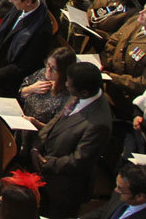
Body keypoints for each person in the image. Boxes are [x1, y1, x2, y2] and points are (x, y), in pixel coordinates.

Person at [30, 62, 112, 218]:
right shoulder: (78, 95)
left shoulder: (99, 123)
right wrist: (37, 146)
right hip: (47, 174)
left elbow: (79, 161)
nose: (66, 84)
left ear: (85, 91)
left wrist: (46, 163)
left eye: (69, 83)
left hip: (65, 187)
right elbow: (56, 120)